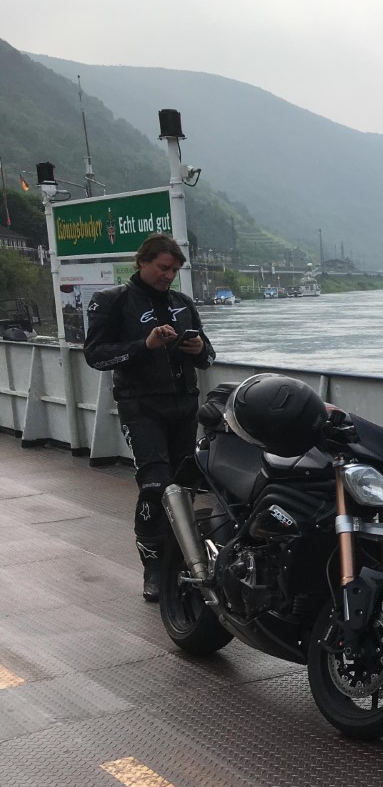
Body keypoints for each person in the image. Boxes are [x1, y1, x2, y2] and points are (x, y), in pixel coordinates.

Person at [83, 234, 215, 602]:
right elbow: (95, 355)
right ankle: (153, 567)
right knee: (156, 486)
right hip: (141, 407)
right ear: (142, 262)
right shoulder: (112, 301)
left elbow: (208, 358)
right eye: (162, 268)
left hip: (184, 406)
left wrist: (199, 348)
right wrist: (145, 346)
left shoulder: (183, 304)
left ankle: (182, 562)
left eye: (174, 270)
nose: (168, 276)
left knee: (184, 489)